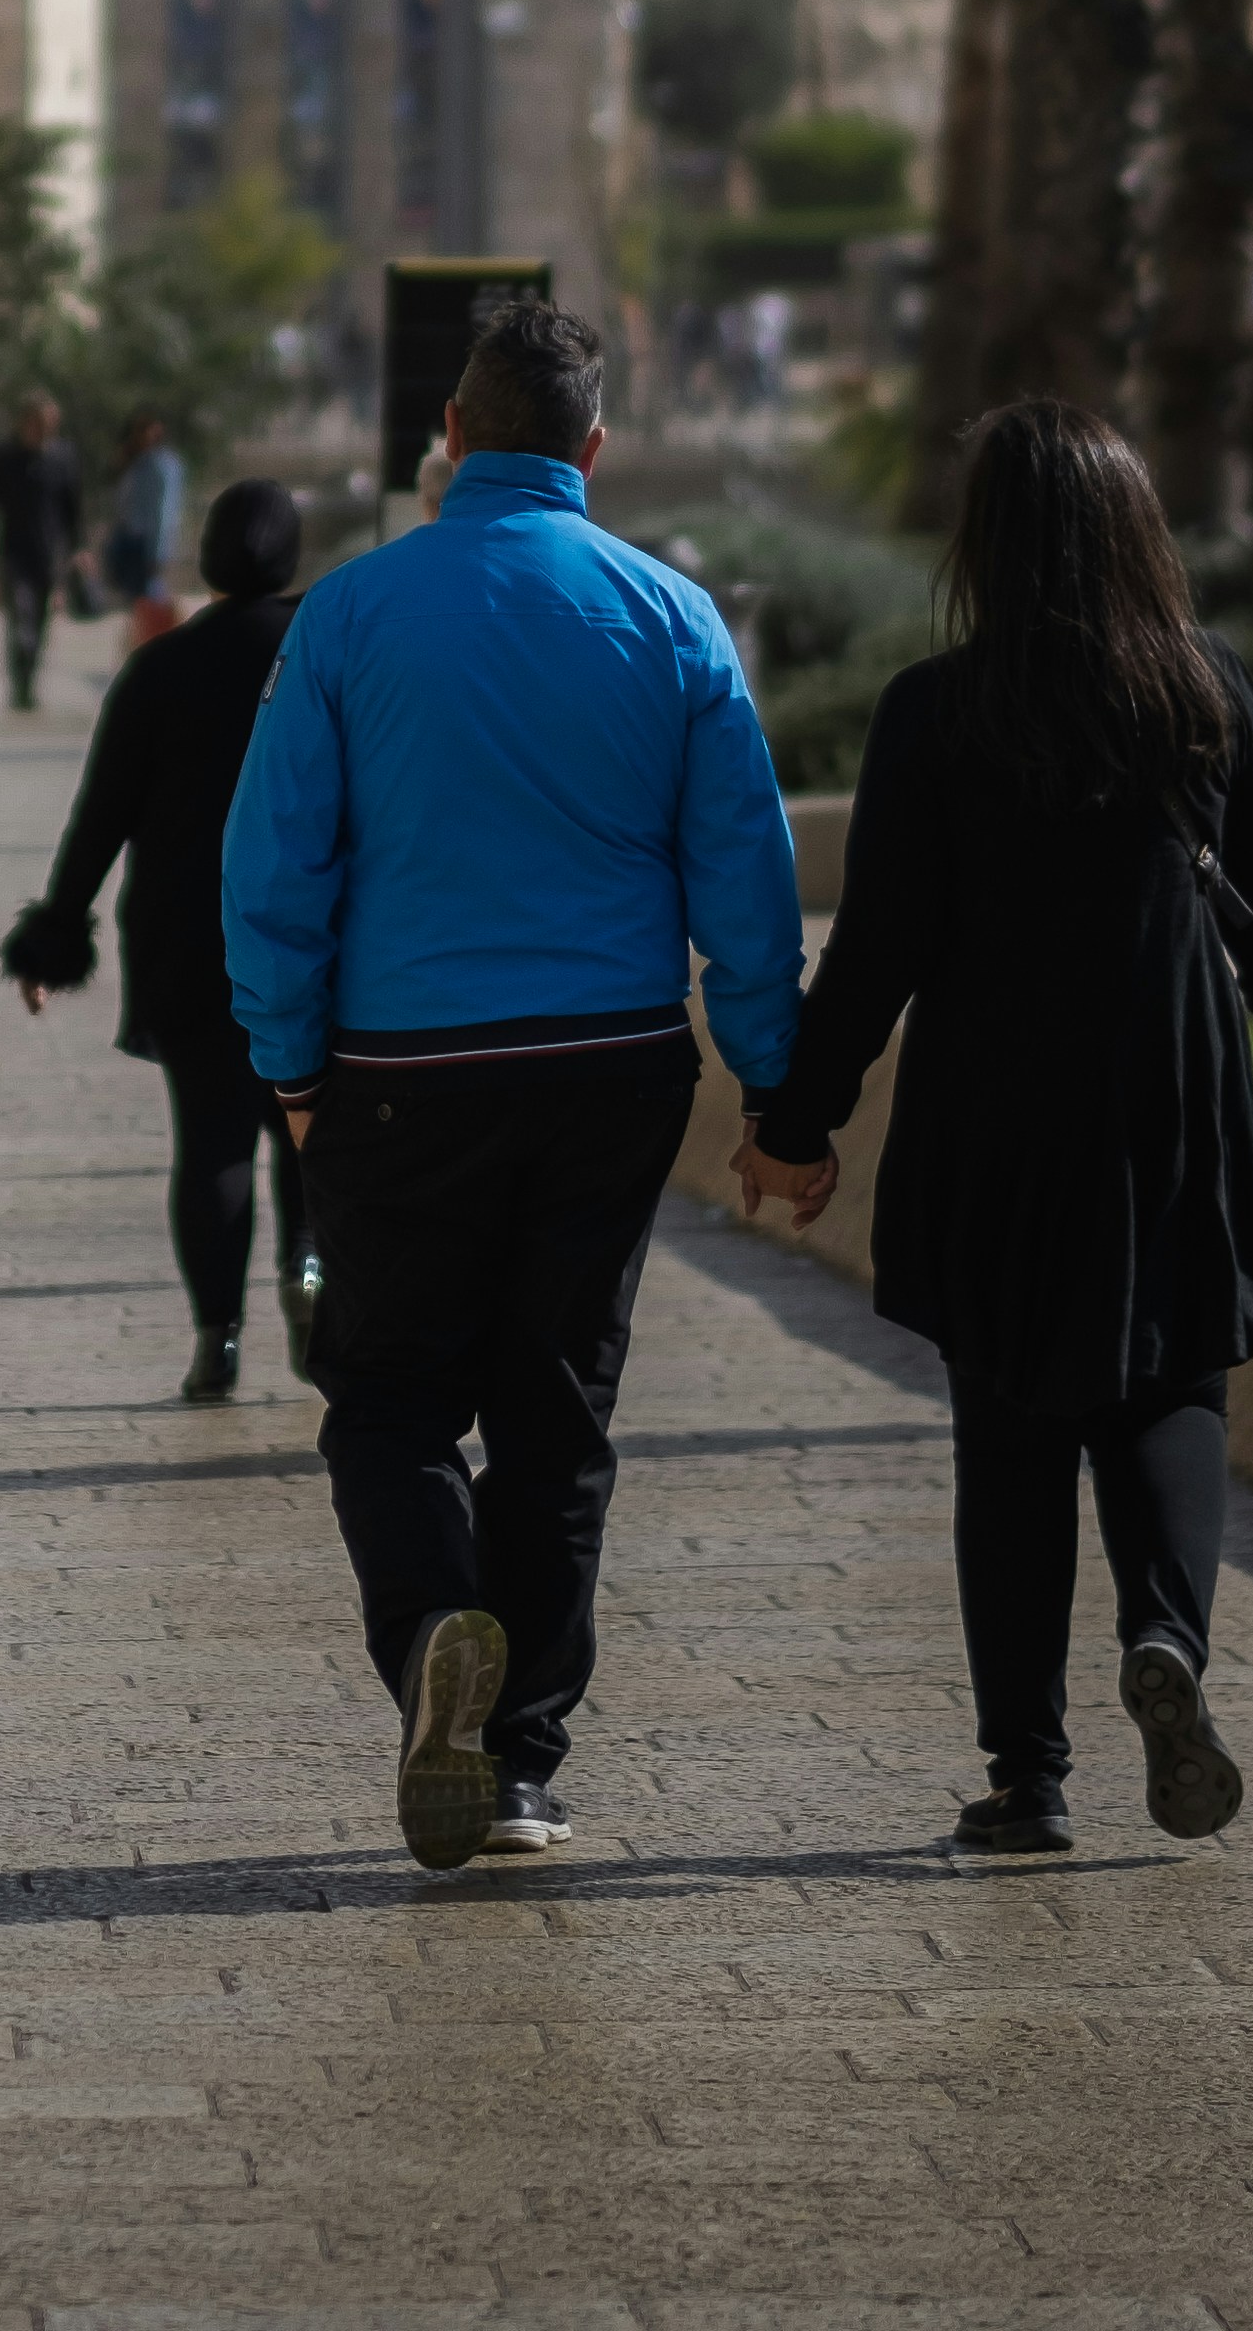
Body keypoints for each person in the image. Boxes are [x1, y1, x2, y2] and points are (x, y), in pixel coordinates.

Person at [224, 295, 803, 1874]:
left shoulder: (348, 616)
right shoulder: (675, 619)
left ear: (454, 442)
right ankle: (526, 1763)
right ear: (594, 452)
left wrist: (286, 1064)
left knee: (390, 1401)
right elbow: (743, 870)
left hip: (402, 1068)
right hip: (609, 1065)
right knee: (558, 1416)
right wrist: (772, 1079)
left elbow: (274, 864)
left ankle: (432, 1642)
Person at [740, 398, 1253, 1862]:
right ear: (1141, 528)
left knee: (1010, 1428)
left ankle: (1029, 1777)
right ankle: (1168, 1639)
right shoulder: (1210, 689)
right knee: (1177, 1385)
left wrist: (797, 1123)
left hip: (996, 1102)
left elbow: (876, 951)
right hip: (1178, 1091)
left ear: (988, 546)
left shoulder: (935, 710)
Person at [5, 477, 320, 1403]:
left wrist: (55, 935)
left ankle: (216, 1340)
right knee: (308, 1133)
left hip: (189, 943)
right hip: (310, 940)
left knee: (212, 1142)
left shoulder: (160, 667)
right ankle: (310, 1277)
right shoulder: (327, 660)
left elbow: (99, 816)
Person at [0, 389, 86, 710]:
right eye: (38, 423)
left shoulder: (62, 459)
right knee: (21, 618)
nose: (43, 430)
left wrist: (79, 548)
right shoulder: (3, 458)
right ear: (24, 422)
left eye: (49, 424)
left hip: (47, 554)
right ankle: (19, 683)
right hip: (13, 553)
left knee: (40, 623)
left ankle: (28, 680)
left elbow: (73, 509)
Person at [99, 408, 190, 646]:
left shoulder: (164, 467)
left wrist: (158, 552)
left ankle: (153, 647)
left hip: (146, 544)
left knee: (150, 599)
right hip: (128, 541)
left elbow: (164, 512)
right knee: (135, 604)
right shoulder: (134, 463)